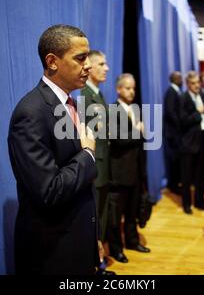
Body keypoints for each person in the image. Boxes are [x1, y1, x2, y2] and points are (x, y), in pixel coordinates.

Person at [8, 24, 99, 274]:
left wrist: (93, 238)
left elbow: (80, 188)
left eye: (88, 57)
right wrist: (88, 155)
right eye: (81, 58)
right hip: (52, 254)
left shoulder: (70, 104)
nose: (88, 65)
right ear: (52, 62)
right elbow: (49, 191)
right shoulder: (30, 113)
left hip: (78, 244)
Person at [107, 73, 150, 263]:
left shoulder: (135, 110)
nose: (131, 91)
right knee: (117, 215)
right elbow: (117, 139)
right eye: (127, 88)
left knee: (132, 212)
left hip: (136, 171)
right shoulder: (112, 110)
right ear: (118, 89)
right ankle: (116, 249)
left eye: (133, 88)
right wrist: (138, 131)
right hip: (119, 172)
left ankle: (132, 241)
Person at [80, 50, 115, 275]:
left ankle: (98, 263)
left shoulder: (98, 94)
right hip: (96, 166)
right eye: (101, 64)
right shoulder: (85, 95)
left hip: (104, 164)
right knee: (94, 218)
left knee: (101, 215)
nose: (107, 68)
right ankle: (93, 265)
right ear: (90, 67)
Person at [179, 71, 204, 214]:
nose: (196, 85)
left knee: (202, 175)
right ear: (188, 84)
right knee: (187, 177)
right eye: (193, 83)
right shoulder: (183, 98)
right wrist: (197, 113)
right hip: (189, 143)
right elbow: (182, 120)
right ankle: (187, 204)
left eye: (198, 82)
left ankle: (200, 201)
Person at [163, 71, 183, 195]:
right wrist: (180, 124)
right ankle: (173, 185)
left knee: (177, 160)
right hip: (173, 132)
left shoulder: (176, 91)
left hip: (176, 132)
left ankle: (176, 183)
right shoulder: (171, 92)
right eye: (179, 77)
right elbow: (170, 112)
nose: (181, 79)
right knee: (174, 160)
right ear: (174, 79)